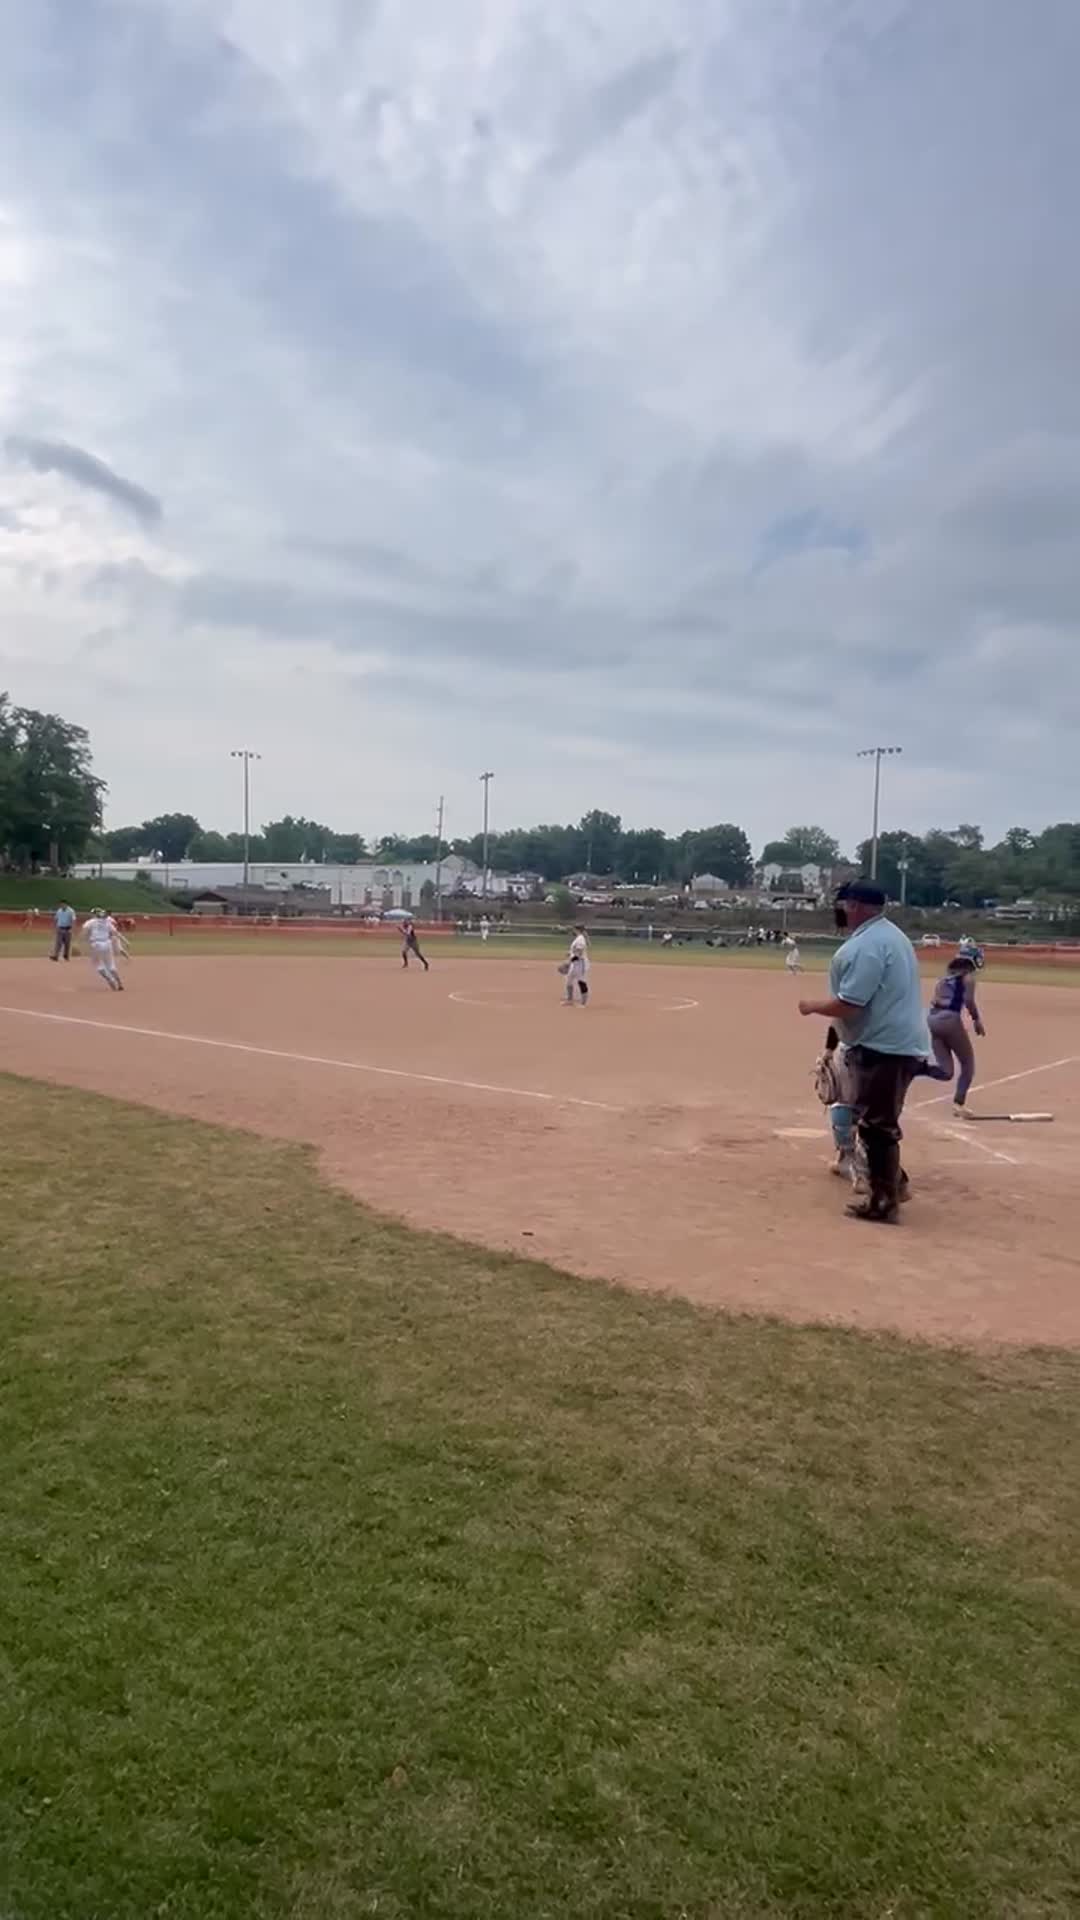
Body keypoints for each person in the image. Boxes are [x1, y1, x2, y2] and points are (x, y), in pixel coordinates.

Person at [799, 880, 928, 1223]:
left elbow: (850, 1004)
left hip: (883, 1047)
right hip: (894, 1043)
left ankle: (884, 1200)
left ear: (854, 905)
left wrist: (811, 1006)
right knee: (877, 1119)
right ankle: (894, 1184)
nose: (838, 910)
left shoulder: (867, 946)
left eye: (842, 904)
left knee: (876, 1126)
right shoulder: (891, 936)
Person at [922, 955, 985, 1116]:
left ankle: (913, 1068)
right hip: (949, 1020)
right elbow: (969, 1000)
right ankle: (959, 1103)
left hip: (932, 1020)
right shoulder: (968, 978)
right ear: (967, 969)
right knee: (968, 1064)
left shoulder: (942, 980)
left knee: (946, 1072)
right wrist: (976, 1019)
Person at [84, 908, 125, 992]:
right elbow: (115, 933)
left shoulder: (90, 922)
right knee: (111, 966)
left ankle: (110, 980)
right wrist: (125, 941)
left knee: (99, 966)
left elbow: (84, 931)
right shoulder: (107, 922)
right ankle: (120, 983)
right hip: (107, 944)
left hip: (95, 945)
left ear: (94, 914)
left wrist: (79, 942)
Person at [562, 923, 590, 1006]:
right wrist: (570, 953)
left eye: (574, 929)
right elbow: (575, 951)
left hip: (580, 964)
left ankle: (583, 1003)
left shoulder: (581, 939)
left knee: (581, 982)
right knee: (569, 981)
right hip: (575, 963)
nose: (573, 931)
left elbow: (579, 953)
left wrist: (569, 961)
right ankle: (569, 1000)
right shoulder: (578, 938)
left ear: (577, 930)